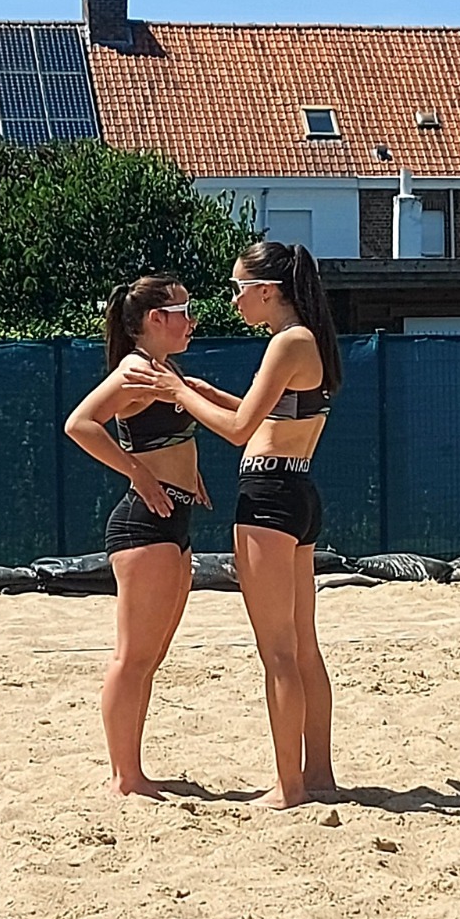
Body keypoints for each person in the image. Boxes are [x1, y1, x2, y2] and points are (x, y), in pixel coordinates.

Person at [124, 240, 340, 809]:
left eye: (240, 288)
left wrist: (175, 391)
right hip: (298, 490)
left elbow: (242, 428)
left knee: (279, 654)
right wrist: (203, 392)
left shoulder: (287, 340)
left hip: (268, 494)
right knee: (305, 649)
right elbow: (270, 410)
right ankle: (317, 774)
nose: (235, 300)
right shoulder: (310, 340)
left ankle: (288, 787)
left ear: (268, 291)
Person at [63, 275, 206, 798]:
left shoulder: (164, 371)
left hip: (175, 518)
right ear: (153, 320)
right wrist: (139, 474)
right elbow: (80, 424)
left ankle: (132, 769)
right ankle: (126, 775)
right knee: (134, 656)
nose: (191, 320)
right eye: (183, 310)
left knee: (152, 654)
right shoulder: (133, 372)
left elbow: (166, 437)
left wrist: (191, 478)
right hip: (143, 524)